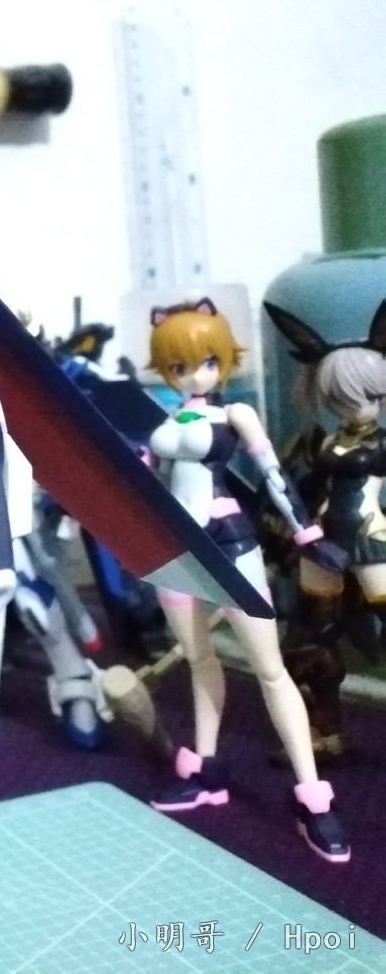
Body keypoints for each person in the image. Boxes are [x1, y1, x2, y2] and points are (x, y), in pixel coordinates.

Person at [144, 299, 348, 862]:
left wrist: (306, 534)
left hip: (229, 543)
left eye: (207, 362)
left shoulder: (237, 415)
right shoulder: (165, 421)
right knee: (198, 660)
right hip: (173, 549)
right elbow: (141, 478)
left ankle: (313, 798)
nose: (195, 375)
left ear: (223, 360)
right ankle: (206, 773)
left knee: (270, 670)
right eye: (180, 366)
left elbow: (273, 476)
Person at [266, 299, 386, 761]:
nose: (351, 406)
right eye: (339, 398)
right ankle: (324, 728)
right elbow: (306, 488)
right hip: (322, 543)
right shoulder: (327, 440)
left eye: (364, 395)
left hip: (372, 541)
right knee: (309, 638)